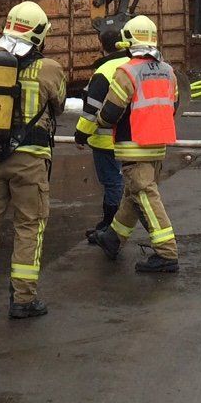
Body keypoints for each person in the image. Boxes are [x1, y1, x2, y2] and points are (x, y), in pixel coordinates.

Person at [0, 1, 66, 320]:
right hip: (30, 159)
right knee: (29, 225)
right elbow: (58, 104)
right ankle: (23, 299)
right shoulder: (49, 69)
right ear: (39, 34)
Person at [91, 14, 181, 273]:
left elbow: (110, 113)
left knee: (145, 196)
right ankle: (113, 239)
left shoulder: (127, 71)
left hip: (133, 144)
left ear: (128, 42)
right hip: (157, 145)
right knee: (134, 194)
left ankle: (167, 252)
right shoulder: (167, 71)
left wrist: (98, 122)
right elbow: (171, 106)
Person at [73, 21, 129, 242]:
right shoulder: (132, 63)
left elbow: (91, 110)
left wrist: (80, 135)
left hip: (106, 140)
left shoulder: (104, 71)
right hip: (133, 136)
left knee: (112, 182)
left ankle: (110, 227)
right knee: (124, 182)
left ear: (102, 46)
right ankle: (111, 225)